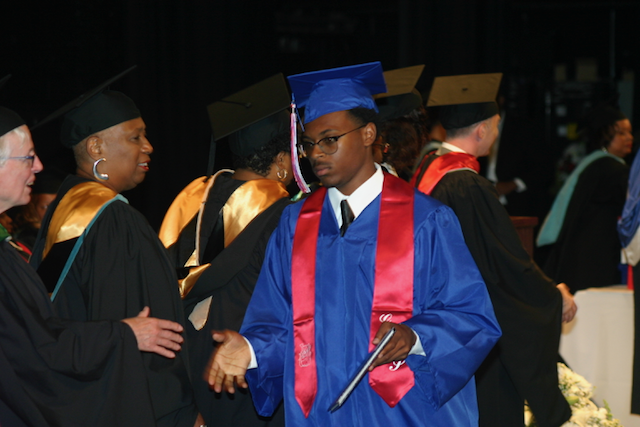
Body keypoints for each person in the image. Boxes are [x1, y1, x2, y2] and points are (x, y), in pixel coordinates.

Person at [205, 62, 501, 427]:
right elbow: (280, 323)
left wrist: (415, 335)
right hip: (322, 413)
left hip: (404, 413)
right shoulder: (295, 225)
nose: (316, 154)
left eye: (330, 139)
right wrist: (250, 350)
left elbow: (471, 316)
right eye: (309, 143)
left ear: (368, 134)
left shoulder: (426, 221)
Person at [29, 79, 203, 426]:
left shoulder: (65, 205)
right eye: (134, 137)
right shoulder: (112, 219)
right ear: (96, 147)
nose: (149, 147)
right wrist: (180, 413)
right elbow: (145, 328)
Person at [411, 73, 576, 427]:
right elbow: (506, 264)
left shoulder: (426, 171)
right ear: (481, 130)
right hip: (476, 329)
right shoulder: (467, 185)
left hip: (439, 322)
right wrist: (552, 294)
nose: (498, 134)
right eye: (496, 125)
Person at [158, 74, 292, 427]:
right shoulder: (285, 214)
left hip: (186, 363)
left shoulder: (193, 198)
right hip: (245, 364)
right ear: (281, 160)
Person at [539, 105, 632, 292]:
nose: (629, 138)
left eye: (629, 132)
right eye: (621, 133)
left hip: (579, 257)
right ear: (604, 136)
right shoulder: (611, 170)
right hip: (595, 258)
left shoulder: (595, 165)